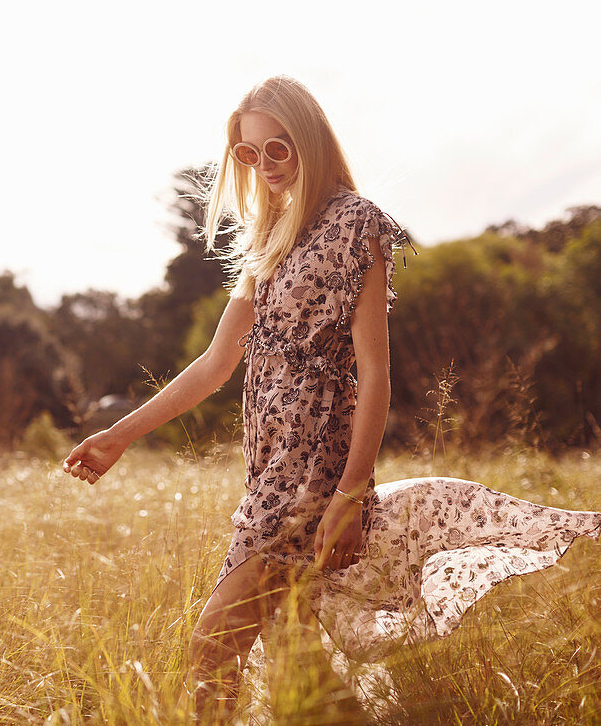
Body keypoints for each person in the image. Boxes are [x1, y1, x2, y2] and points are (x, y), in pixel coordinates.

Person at [60, 74, 601, 717]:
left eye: (278, 148)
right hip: (266, 472)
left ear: (310, 140)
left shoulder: (356, 224)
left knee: (212, 646)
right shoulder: (267, 239)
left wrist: (350, 491)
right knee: (301, 677)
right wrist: (117, 435)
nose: (265, 166)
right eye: (248, 153)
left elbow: (375, 371)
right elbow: (213, 365)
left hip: (311, 476)